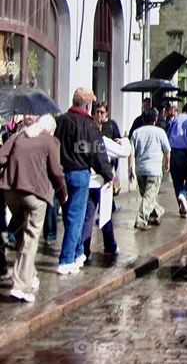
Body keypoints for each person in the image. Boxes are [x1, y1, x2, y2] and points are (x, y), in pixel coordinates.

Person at [0, 114, 68, 302]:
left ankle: (30, 275)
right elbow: (56, 171)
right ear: (50, 129)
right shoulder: (50, 141)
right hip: (35, 195)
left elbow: (1, 158)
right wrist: (63, 192)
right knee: (30, 237)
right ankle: (20, 285)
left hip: (11, 191)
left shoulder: (18, 136)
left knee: (23, 234)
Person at [54, 88, 113, 275]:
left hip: (62, 174)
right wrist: (108, 174)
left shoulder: (61, 121)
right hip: (79, 174)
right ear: (87, 105)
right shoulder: (89, 125)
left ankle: (78, 253)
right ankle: (66, 259)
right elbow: (98, 152)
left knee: (70, 215)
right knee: (75, 218)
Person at [81, 132, 130, 261]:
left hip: (87, 182)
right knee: (105, 216)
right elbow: (124, 152)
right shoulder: (103, 141)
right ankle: (110, 246)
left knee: (88, 218)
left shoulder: (82, 141)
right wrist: (124, 141)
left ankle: (84, 250)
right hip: (102, 184)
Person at [129, 109, 171, 229]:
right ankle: (141, 220)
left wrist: (130, 169)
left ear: (143, 119)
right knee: (149, 196)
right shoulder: (160, 132)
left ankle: (157, 212)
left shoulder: (136, 133)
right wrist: (166, 164)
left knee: (147, 195)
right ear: (155, 119)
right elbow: (167, 150)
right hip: (154, 170)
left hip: (140, 169)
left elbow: (131, 153)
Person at [167, 99, 187, 217]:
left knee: (177, 181)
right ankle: (184, 195)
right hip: (186, 152)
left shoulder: (177, 118)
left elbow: (168, 134)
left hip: (173, 152)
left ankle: (182, 209)